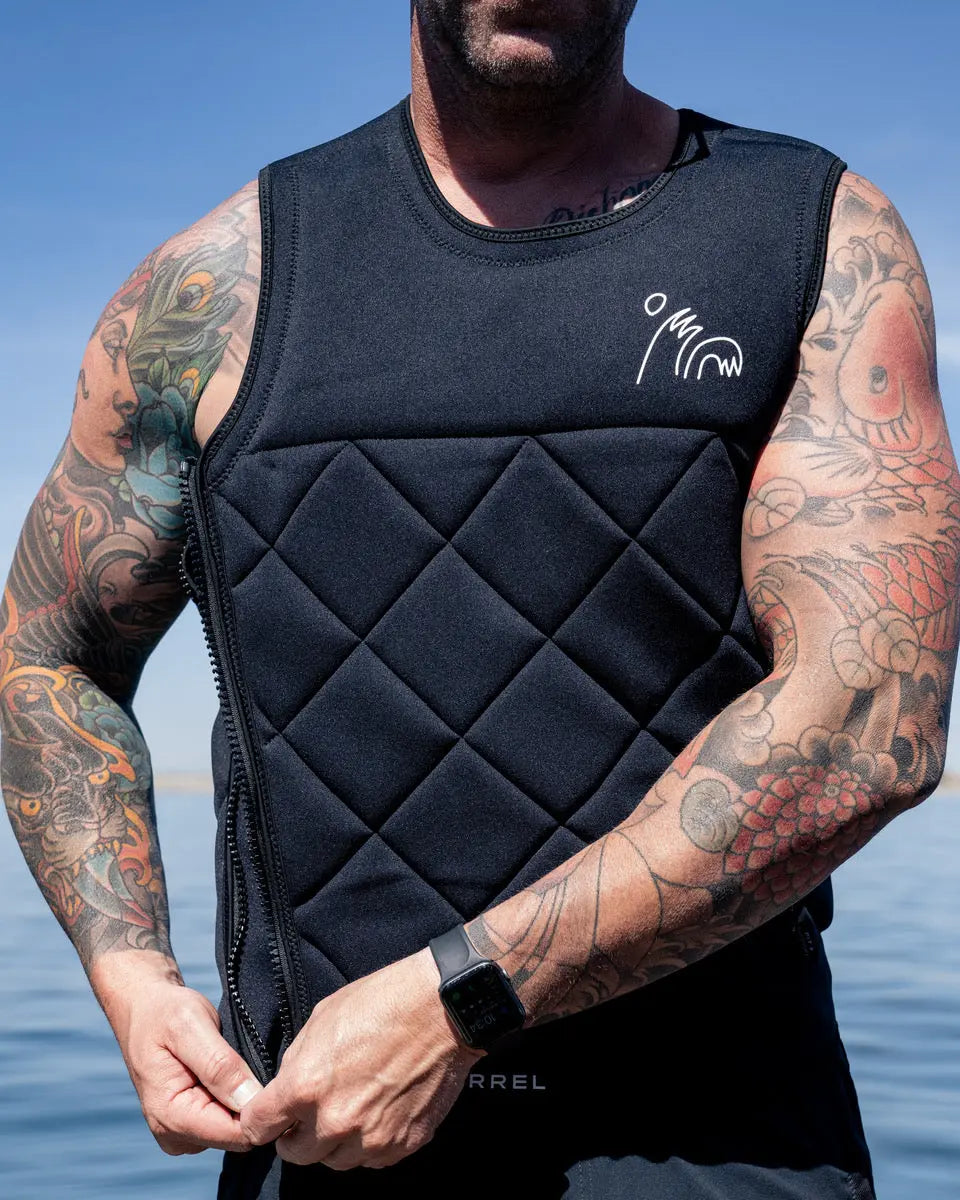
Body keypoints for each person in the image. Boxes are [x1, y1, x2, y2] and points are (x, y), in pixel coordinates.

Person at [2, 2, 955, 1197]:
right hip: (327, 1141)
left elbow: (871, 717)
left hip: (717, 1145)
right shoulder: (216, 290)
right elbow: (52, 656)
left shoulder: (808, 236)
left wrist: (459, 1000)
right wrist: (132, 977)